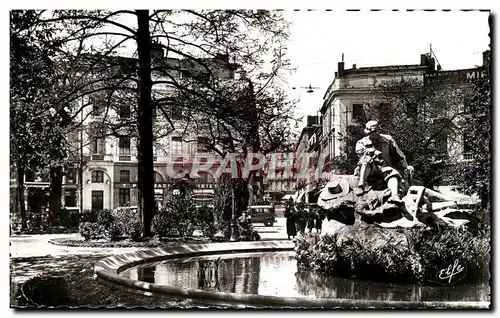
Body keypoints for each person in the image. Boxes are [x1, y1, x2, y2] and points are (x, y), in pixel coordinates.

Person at [355, 120, 409, 203]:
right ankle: (361, 185)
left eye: (377, 131)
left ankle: (394, 195)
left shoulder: (388, 139)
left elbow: (399, 154)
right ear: (368, 132)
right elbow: (359, 153)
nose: (376, 133)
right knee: (366, 160)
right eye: (373, 131)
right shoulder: (361, 142)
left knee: (393, 174)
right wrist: (372, 151)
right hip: (369, 168)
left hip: (384, 166)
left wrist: (405, 167)